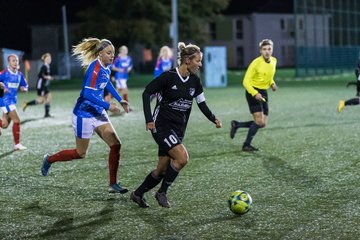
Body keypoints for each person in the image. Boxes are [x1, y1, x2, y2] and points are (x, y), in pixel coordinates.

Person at [130, 42, 222, 208]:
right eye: (198, 61)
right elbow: (146, 93)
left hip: (179, 129)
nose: (200, 64)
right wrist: (148, 119)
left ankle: (137, 194)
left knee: (162, 170)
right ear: (187, 60)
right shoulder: (168, 77)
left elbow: (201, 103)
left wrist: (213, 118)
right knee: (182, 158)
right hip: (161, 125)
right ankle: (162, 192)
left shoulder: (195, 81)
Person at [40, 38, 130, 194]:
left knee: (116, 145)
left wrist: (120, 99)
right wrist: (108, 105)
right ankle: (49, 159)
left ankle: (113, 184)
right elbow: (87, 94)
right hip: (84, 114)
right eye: (109, 53)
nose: (112, 56)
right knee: (80, 153)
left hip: (98, 112)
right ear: (100, 54)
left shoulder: (106, 67)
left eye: (113, 53)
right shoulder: (94, 69)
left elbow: (106, 83)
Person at [230, 39, 278, 152]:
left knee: (263, 124)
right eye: (264, 49)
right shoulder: (256, 63)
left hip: (264, 92)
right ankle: (246, 145)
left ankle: (237, 125)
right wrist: (255, 93)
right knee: (259, 121)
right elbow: (245, 81)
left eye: (269, 49)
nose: (267, 51)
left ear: (272, 50)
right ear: (260, 51)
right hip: (253, 92)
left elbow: (269, 76)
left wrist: (272, 83)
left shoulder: (274, 61)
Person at [0, 54, 28, 150]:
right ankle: (17, 144)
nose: (15, 62)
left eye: (16, 60)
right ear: (8, 62)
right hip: (5, 101)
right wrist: (1, 87)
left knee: (4, 125)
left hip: (12, 101)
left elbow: (26, 85)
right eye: (13, 60)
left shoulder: (19, 75)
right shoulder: (4, 73)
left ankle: (17, 144)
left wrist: (23, 88)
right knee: (17, 120)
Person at [23, 53, 54, 117]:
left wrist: (49, 77)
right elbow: (40, 75)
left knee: (48, 97)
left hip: (44, 85)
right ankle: (26, 104)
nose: (49, 60)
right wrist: (47, 77)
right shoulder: (44, 66)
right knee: (41, 100)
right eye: (47, 58)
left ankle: (47, 114)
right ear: (44, 60)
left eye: (50, 58)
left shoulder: (47, 66)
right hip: (41, 85)